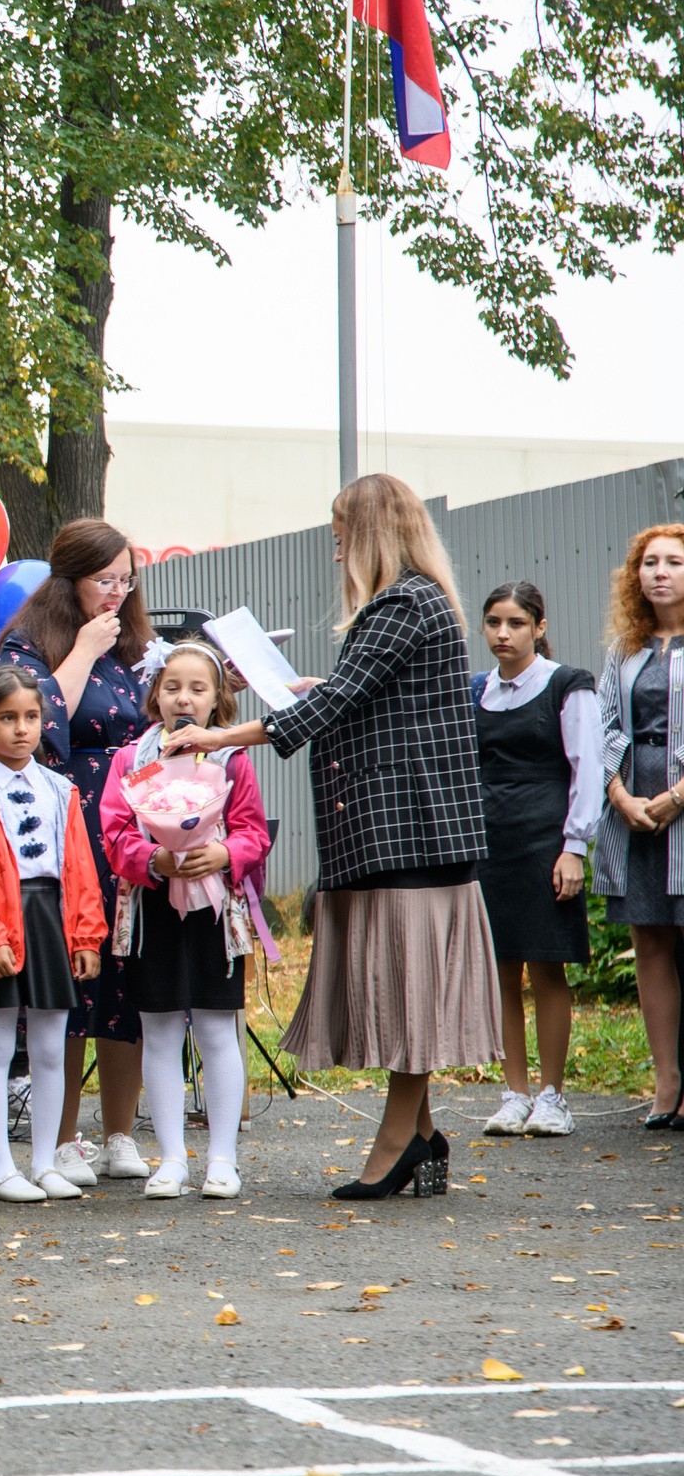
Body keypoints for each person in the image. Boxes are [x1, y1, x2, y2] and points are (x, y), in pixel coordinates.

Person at [172, 473, 495, 1199]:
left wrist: (216, 734)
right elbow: (361, 689)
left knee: (411, 994)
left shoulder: (403, 603)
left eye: (342, 534)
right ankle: (423, 1135)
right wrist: (308, 689)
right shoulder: (414, 603)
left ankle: (395, 1144)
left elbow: (340, 702)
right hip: (401, 831)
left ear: (371, 532)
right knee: (405, 988)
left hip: (408, 830)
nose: (336, 548)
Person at [0, 519, 155, 1188]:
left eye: (125, 579)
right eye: (103, 580)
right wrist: (85, 650)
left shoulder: (133, 644)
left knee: (128, 980)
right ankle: (62, 1139)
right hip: (69, 822)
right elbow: (40, 727)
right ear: (70, 581)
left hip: (132, 824)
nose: (115, 592)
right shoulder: (29, 643)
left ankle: (120, 1133)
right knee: (74, 983)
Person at [98, 642, 272, 1199]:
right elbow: (117, 832)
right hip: (153, 908)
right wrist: (154, 858)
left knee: (219, 1031)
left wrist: (225, 854)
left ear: (217, 699)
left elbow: (253, 831)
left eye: (198, 688)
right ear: (155, 694)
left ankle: (222, 1157)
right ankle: (171, 1157)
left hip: (215, 912)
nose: (184, 698)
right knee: (161, 1031)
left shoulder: (231, 760)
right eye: (173, 686)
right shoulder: (131, 761)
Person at [0, 665, 102, 1202]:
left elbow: (80, 865)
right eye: (7, 718)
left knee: (51, 1047)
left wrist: (85, 937)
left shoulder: (59, 787)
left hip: (50, 919)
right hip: (0, 921)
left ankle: (43, 1164)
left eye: (31, 717)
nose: (21, 729)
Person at [466, 585, 596, 1139]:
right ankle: (514, 1092)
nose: (502, 633)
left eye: (515, 622)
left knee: (546, 967)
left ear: (538, 627)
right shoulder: (476, 690)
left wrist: (575, 847)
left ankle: (552, 1096)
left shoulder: (568, 684)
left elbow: (587, 768)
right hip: (489, 844)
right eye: (493, 622)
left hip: (546, 841)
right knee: (500, 971)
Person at [593, 527, 684, 1131]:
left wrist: (678, 796)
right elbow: (599, 722)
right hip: (635, 811)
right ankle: (666, 1081)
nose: (660, 572)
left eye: (674, 562)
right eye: (649, 563)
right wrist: (619, 793)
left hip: (680, 802)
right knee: (650, 942)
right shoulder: (624, 649)